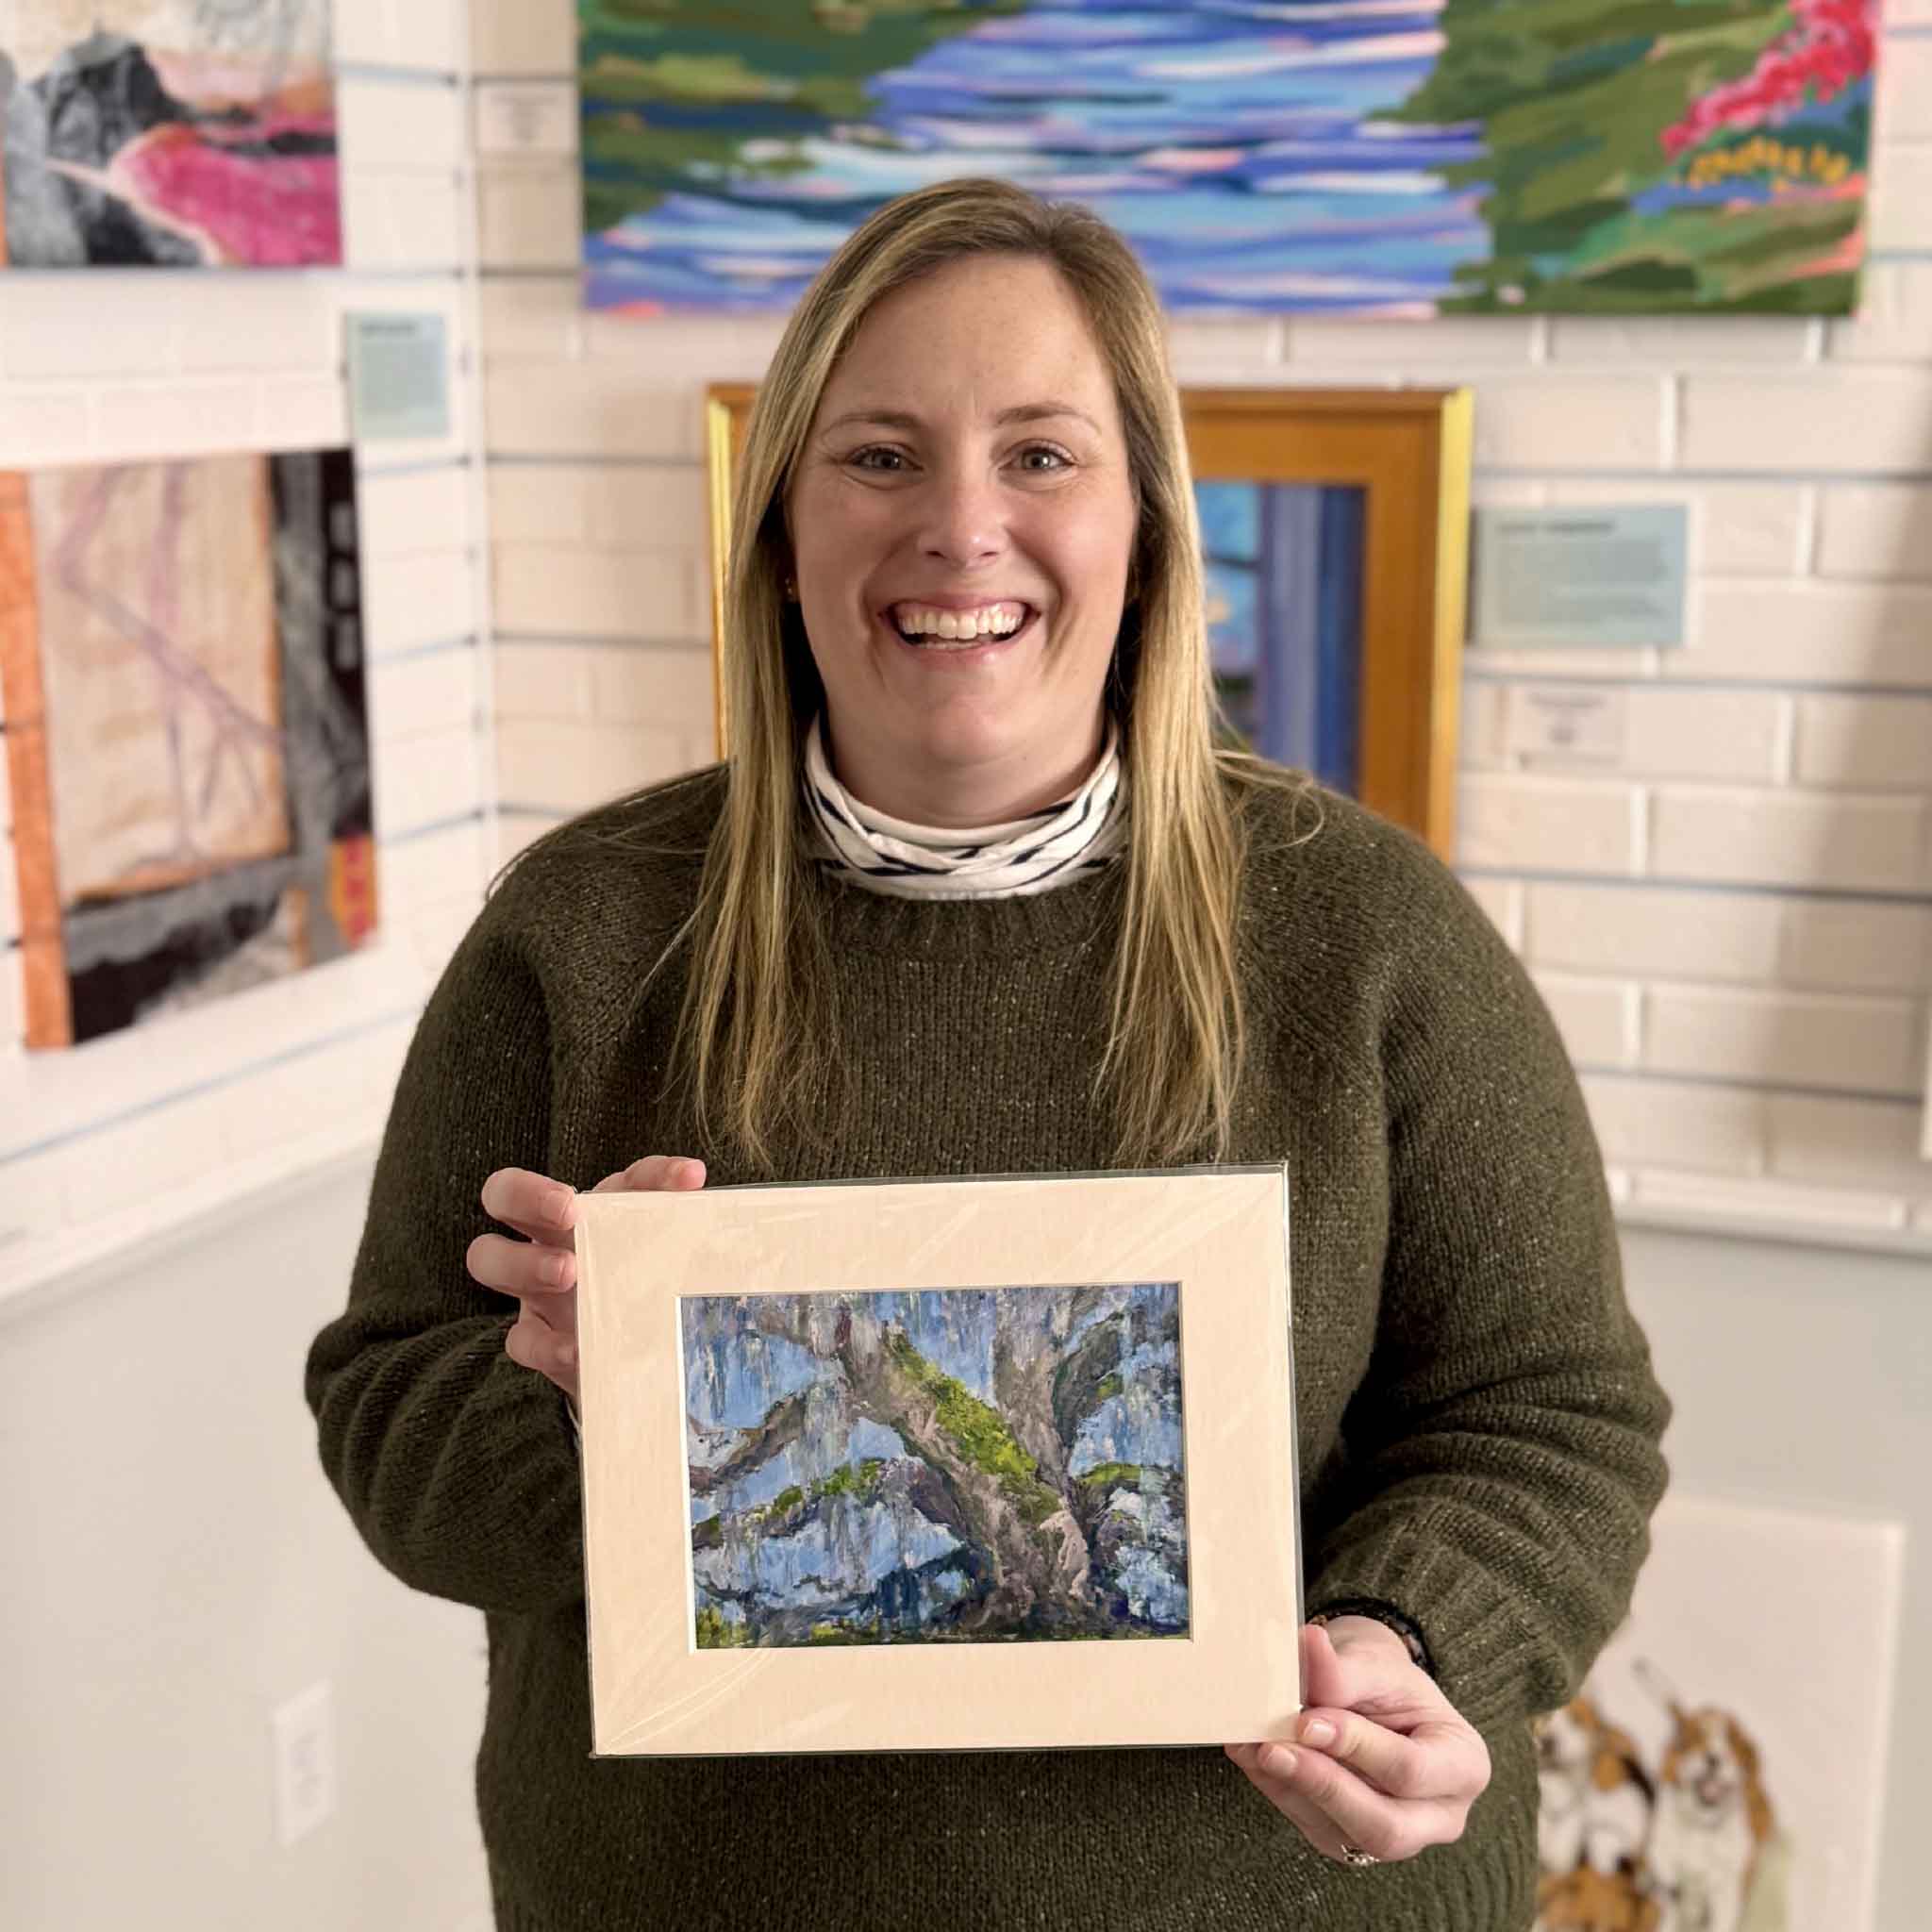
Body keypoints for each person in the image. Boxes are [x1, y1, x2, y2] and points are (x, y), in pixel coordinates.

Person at [306, 176, 1670, 1930]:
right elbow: (385, 1415)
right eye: (880, 456)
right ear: (783, 529)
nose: (963, 528)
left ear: (1145, 528)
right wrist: (598, 1414)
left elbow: (1549, 1417)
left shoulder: (1370, 936)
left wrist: (1408, 1643)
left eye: (1040, 455)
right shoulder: (577, 936)